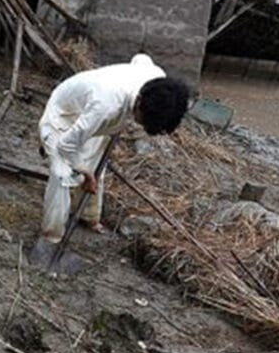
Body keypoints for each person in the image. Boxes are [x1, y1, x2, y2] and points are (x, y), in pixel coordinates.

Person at [37, 53, 190, 249]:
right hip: (64, 115)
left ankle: (87, 216)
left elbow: (140, 58)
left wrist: (90, 173)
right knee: (63, 174)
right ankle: (51, 237)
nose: (141, 125)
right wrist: (84, 172)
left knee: (97, 168)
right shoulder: (104, 106)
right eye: (143, 121)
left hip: (96, 118)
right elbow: (66, 146)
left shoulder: (157, 79)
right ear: (140, 103)